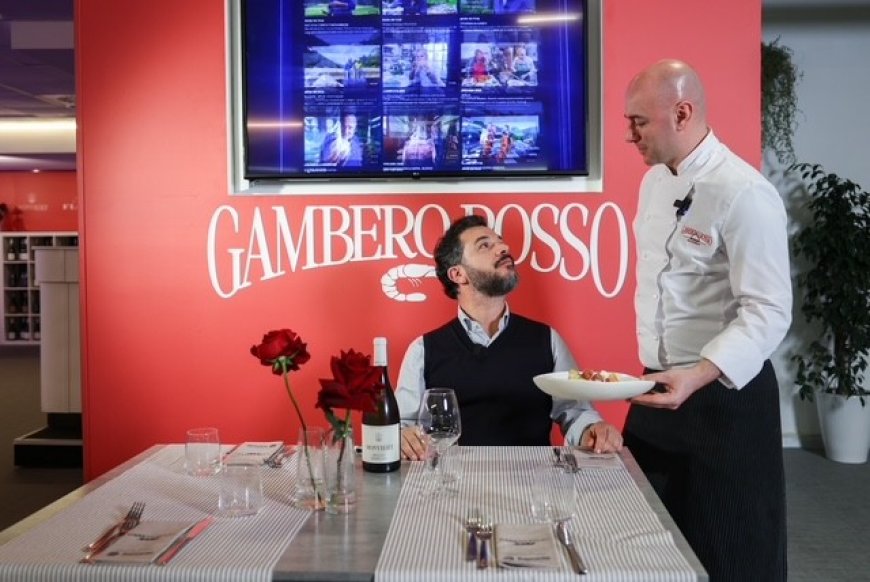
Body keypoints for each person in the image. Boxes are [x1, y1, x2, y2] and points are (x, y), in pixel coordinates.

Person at [622, 59, 791, 581]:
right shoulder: (653, 183)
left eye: (639, 122)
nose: (629, 135)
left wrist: (697, 374)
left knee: (733, 552)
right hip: (657, 389)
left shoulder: (745, 193)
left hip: (724, 399)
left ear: (682, 113)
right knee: (646, 548)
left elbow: (769, 310)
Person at [397, 214, 623, 460]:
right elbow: (401, 426)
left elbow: (576, 412)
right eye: (485, 245)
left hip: (535, 480)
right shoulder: (423, 350)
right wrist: (402, 436)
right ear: (458, 275)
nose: (503, 248)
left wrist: (593, 429)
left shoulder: (547, 340)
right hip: (452, 480)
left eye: (500, 241)